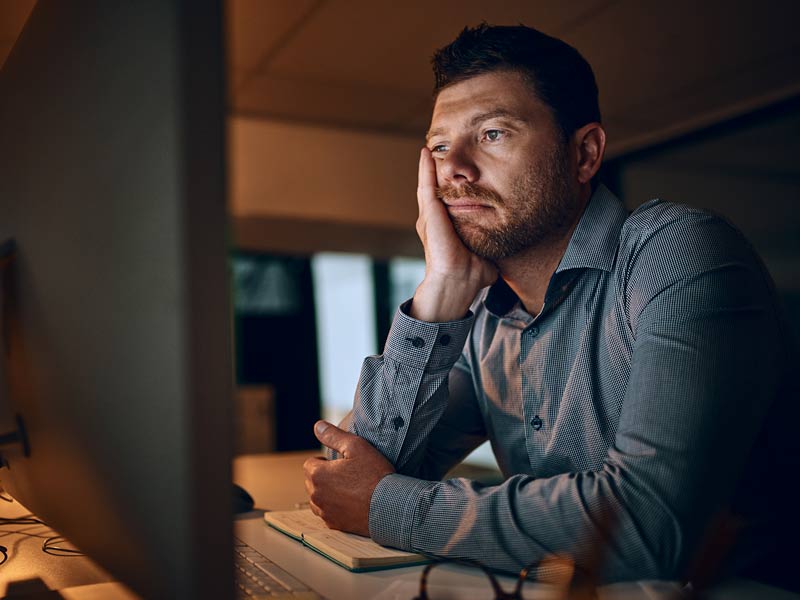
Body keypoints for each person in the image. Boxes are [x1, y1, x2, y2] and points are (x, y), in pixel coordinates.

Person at [303, 23, 797, 587]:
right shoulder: (485, 312)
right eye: (439, 146)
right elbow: (356, 474)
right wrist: (437, 296)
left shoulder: (677, 253)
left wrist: (391, 505)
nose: (455, 170)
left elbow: (642, 528)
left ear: (584, 153)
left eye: (491, 134)